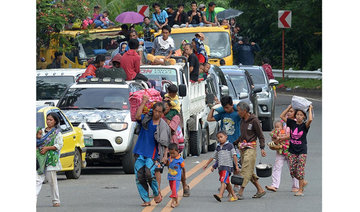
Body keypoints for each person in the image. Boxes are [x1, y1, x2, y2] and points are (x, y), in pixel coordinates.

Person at [134, 96, 168, 206]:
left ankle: (156, 193)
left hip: (153, 154)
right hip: (139, 151)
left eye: (159, 112)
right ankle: (146, 200)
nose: (157, 114)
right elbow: (137, 116)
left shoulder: (163, 125)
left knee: (150, 174)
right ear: (153, 110)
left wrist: (165, 155)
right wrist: (143, 102)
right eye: (155, 111)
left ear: (162, 113)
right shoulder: (146, 120)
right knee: (139, 177)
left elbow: (166, 142)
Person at [234, 102, 267, 200]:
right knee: (249, 170)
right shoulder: (242, 121)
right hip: (243, 148)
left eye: (239, 110)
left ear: (244, 111)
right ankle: (260, 190)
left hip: (251, 148)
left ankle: (240, 191)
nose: (238, 112)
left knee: (245, 169)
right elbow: (242, 135)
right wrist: (234, 143)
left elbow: (261, 135)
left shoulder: (254, 121)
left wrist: (262, 148)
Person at [280, 104, 313, 196]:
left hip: (302, 151)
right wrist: (288, 108)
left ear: (304, 117)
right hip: (292, 151)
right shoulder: (291, 123)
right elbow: (282, 116)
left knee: (300, 170)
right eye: (297, 114)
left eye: (301, 115)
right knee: (293, 172)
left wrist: (310, 109)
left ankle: (300, 190)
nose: (299, 116)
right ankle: (303, 181)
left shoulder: (304, 126)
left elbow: (310, 119)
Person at [162, 101, 190, 197]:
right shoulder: (160, 116)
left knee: (178, 167)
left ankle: (184, 185)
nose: (164, 109)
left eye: (166, 107)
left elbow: (171, 129)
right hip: (162, 145)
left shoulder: (175, 116)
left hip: (174, 145)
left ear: (170, 107)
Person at [203, 131, 239, 202]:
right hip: (221, 168)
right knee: (227, 182)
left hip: (227, 167)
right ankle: (234, 196)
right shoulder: (218, 147)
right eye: (218, 138)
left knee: (223, 181)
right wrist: (209, 165)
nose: (220, 139)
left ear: (226, 137)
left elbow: (234, 156)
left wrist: (237, 166)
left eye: (221, 137)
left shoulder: (230, 145)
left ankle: (220, 194)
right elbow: (214, 157)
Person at [36, 113, 63, 207]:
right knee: (37, 180)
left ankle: (56, 200)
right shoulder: (41, 131)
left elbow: (59, 145)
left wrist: (47, 148)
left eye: (50, 120)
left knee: (52, 181)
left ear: (55, 121)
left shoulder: (57, 133)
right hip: (40, 159)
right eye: (47, 119)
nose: (48, 121)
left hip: (51, 160)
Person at [265, 119, 300, 193]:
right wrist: (275, 139)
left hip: (290, 151)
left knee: (292, 168)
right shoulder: (276, 132)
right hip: (280, 151)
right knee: (277, 167)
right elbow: (274, 139)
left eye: (278, 127)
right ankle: (274, 185)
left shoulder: (292, 125)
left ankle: (296, 186)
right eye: (275, 127)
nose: (277, 128)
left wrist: (281, 138)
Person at [166, 143, 186, 208]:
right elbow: (168, 166)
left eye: (173, 153)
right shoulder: (170, 159)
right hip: (170, 177)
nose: (172, 155)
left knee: (174, 190)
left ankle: (173, 203)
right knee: (173, 190)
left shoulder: (180, 160)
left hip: (177, 178)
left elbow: (183, 169)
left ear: (177, 152)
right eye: (170, 153)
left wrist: (184, 177)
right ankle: (177, 202)